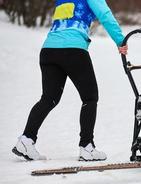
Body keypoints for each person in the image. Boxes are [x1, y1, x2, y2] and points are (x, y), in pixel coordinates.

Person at [12, 0, 128, 161]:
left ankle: (26, 140)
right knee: (90, 97)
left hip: (48, 50)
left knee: (48, 98)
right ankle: (87, 146)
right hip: (73, 50)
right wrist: (120, 40)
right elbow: (105, 15)